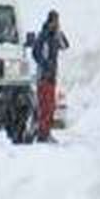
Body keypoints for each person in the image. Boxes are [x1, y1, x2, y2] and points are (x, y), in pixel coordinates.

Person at [32, 10, 70, 143]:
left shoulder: (55, 36)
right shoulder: (43, 36)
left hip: (52, 75)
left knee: (51, 105)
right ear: (49, 21)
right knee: (45, 106)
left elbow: (65, 45)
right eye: (54, 21)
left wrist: (59, 32)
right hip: (43, 76)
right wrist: (45, 64)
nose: (56, 24)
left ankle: (46, 131)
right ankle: (42, 133)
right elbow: (36, 52)